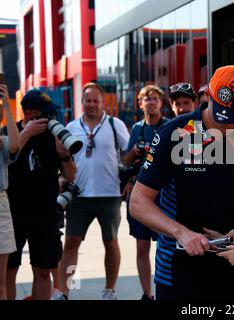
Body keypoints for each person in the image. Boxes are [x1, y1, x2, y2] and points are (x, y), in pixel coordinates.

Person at [130, 65, 234, 300]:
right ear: (208, 97)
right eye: (225, 118)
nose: (231, 126)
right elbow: (139, 202)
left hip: (233, 267)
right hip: (178, 269)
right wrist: (181, 233)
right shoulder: (174, 133)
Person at [58, 82, 130, 300]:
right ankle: (64, 292)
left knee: (111, 243)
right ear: (82, 102)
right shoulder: (71, 128)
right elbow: (63, 159)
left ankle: (109, 291)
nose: (91, 104)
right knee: (71, 244)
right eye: (87, 100)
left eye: (95, 100)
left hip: (109, 195)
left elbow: (128, 155)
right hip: (78, 195)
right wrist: (62, 176)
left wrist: (130, 179)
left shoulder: (115, 124)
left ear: (102, 102)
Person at [6, 89, 76, 300]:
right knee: (9, 272)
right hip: (13, 213)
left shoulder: (53, 136)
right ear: (28, 114)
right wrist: (26, 134)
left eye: (49, 114)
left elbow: (71, 176)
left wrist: (64, 155)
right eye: (42, 114)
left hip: (45, 213)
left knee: (43, 272)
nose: (48, 119)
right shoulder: (8, 133)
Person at [122, 85, 168, 300]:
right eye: (147, 99)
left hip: (164, 195)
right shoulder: (137, 129)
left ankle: (164, 288)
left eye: (155, 99)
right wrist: (136, 151)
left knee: (165, 243)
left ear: (161, 103)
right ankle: (147, 293)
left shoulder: (169, 127)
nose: (151, 102)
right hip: (141, 196)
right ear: (140, 104)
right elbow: (125, 161)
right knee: (142, 246)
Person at [0, 83, 19, 300]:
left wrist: (6, 104)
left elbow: (15, 145)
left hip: (1, 205)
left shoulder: (3, 142)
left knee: (1, 284)